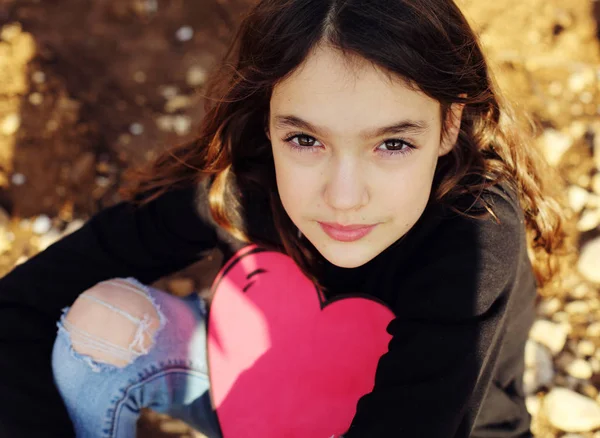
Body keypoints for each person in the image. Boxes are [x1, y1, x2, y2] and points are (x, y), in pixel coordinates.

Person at [0, 0, 568, 436]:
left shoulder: (475, 232)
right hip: (263, 399)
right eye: (305, 139)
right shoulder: (241, 182)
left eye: (393, 144)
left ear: (448, 126)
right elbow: (21, 304)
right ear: (266, 119)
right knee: (104, 322)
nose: (344, 197)